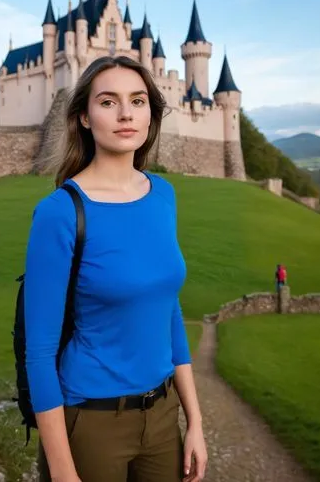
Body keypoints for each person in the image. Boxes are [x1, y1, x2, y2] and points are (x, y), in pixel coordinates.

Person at [24, 55, 207, 482]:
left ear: (150, 112)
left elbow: (170, 314)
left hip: (163, 419)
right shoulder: (60, 212)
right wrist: (64, 472)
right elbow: (39, 355)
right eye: (108, 102)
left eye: (138, 100)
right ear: (84, 117)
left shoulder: (163, 194)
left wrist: (194, 422)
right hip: (92, 423)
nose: (126, 113)